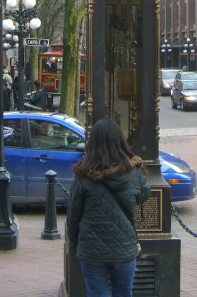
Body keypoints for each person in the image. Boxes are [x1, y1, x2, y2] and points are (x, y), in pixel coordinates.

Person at [66, 118, 151, 297]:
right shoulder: (133, 173)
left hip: (91, 249)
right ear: (120, 141)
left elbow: (73, 215)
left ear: (92, 144)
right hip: (124, 248)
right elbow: (145, 193)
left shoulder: (83, 176)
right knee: (123, 293)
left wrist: (75, 242)